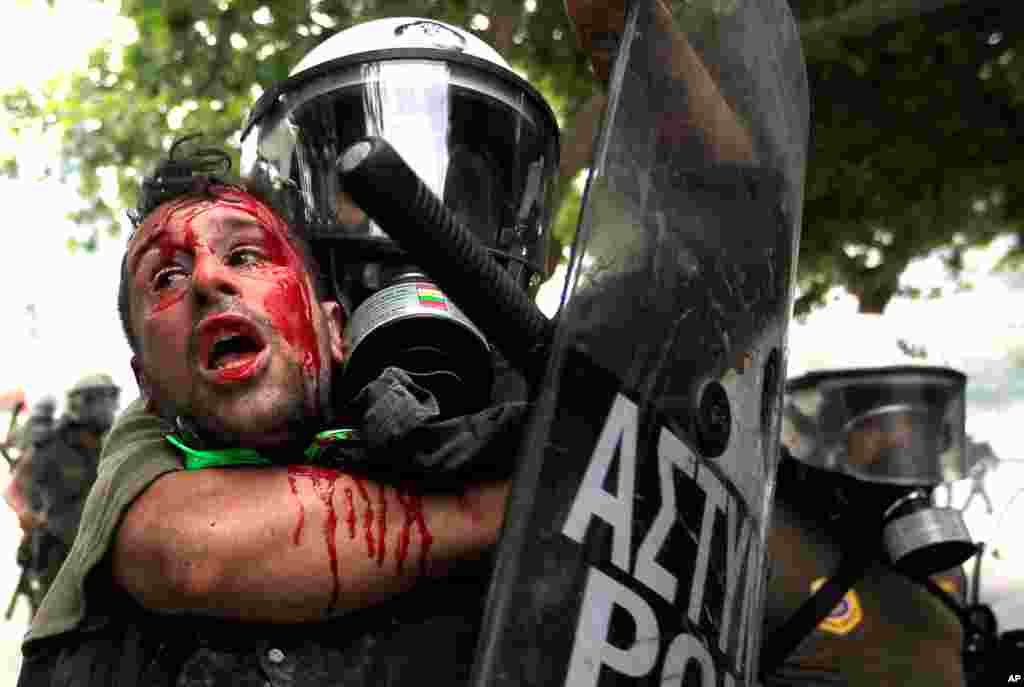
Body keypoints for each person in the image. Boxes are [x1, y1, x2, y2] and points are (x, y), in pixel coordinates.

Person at [764, 367, 972, 686]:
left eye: (921, 427)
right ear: (831, 437)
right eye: (879, 425)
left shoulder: (944, 567)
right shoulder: (766, 534)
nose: (903, 445)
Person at [5, 379, 118, 615]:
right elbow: (14, 489)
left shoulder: (114, 442)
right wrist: (25, 514)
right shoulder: (51, 444)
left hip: (100, 550)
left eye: (111, 398)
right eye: (99, 400)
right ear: (80, 404)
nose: (108, 407)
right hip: (58, 552)